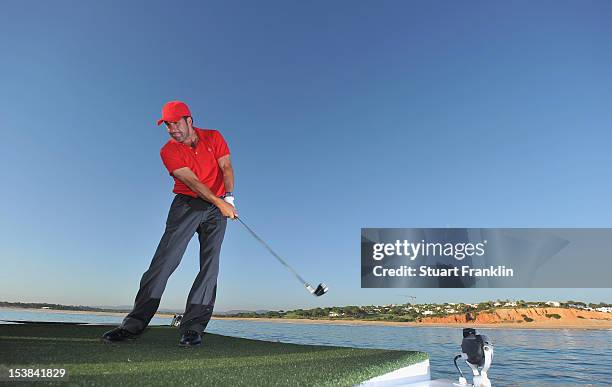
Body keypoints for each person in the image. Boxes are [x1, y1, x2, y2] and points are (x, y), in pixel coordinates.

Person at [102, 100, 237, 347]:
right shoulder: (169, 151)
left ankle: (194, 327)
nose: (172, 128)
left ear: (189, 121)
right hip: (187, 204)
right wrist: (220, 203)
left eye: (176, 123)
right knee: (165, 261)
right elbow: (194, 183)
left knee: (210, 266)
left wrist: (228, 197)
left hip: (217, 206)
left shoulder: (214, 137)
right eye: (167, 124)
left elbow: (226, 166)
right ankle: (134, 325)